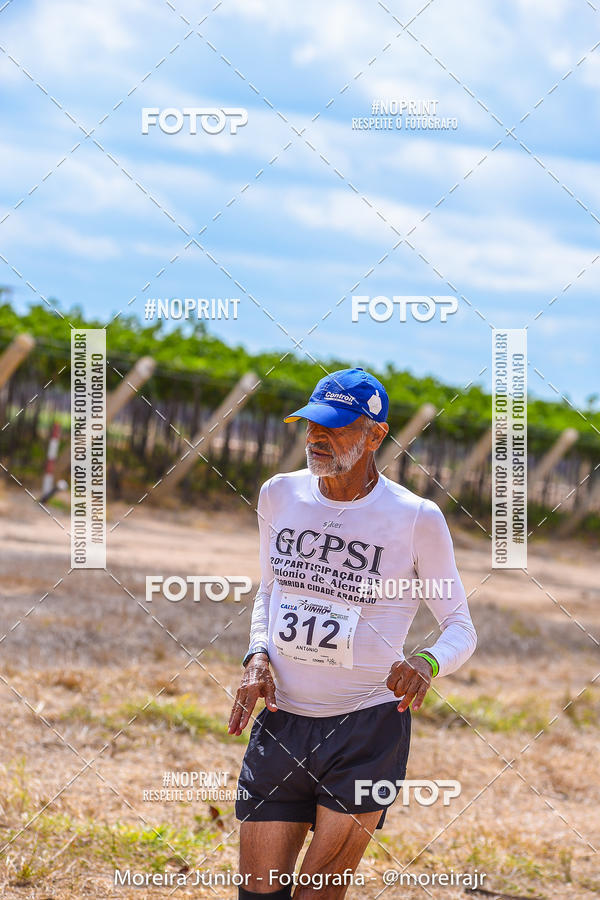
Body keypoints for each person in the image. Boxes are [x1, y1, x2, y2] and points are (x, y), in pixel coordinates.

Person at [228, 367, 477, 899]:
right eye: (312, 423)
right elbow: (269, 591)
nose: (317, 436)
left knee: (318, 893)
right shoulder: (279, 495)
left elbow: (459, 627)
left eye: (336, 427)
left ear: (375, 435)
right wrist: (256, 655)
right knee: (258, 894)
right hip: (280, 720)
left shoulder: (415, 517)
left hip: (367, 729)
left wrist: (426, 663)